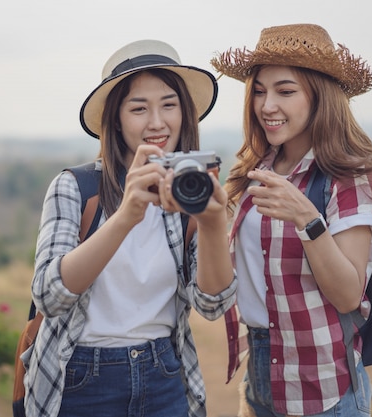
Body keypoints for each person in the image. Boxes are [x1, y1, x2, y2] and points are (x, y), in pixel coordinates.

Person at [21, 39, 237, 417]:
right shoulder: (76, 187)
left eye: (169, 105)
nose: (157, 122)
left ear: (185, 113)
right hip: (81, 378)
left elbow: (212, 304)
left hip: (164, 374)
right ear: (116, 120)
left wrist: (213, 223)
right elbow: (49, 295)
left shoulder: (192, 189)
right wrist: (125, 214)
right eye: (139, 108)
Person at [210, 23, 372, 416]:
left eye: (285, 91)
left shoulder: (349, 176)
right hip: (260, 376)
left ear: (320, 97)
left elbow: (348, 295)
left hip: (324, 389)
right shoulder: (257, 168)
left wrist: (307, 217)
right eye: (260, 91)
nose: (267, 105)